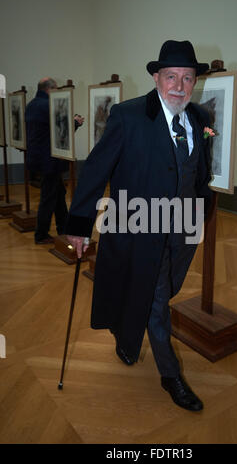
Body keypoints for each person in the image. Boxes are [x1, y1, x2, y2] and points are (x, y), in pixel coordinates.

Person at [66, 41, 213, 411]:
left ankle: (125, 326)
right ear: (156, 77)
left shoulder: (197, 118)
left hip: (183, 229)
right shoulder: (128, 116)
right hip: (141, 226)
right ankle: (171, 376)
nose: (178, 86)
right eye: (170, 77)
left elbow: (198, 170)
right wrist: (80, 226)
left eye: (187, 78)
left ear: (194, 82)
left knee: (162, 290)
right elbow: (96, 170)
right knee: (157, 301)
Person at [25, 78, 84, 244]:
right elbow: (62, 129)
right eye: (56, 89)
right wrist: (76, 123)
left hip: (38, 158)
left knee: (58, 194)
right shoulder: (48, 105)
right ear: (49, 89)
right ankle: (41, 234)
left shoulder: (31, 105)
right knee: (48, 197)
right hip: (49, 160)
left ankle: (63, 228)